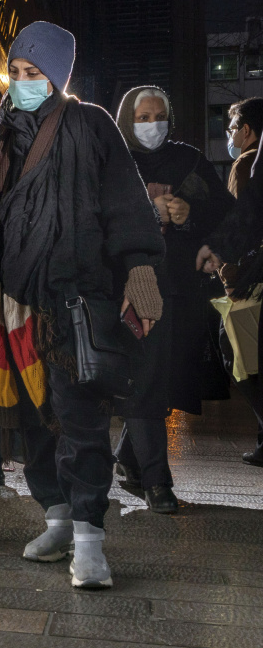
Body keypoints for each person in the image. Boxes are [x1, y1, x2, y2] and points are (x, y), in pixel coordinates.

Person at [0, 22, 165, 588]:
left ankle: (90, 540)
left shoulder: (90, 124)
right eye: (17, 71)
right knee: (32, 418)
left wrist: (140, 270)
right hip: (12, 302)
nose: (23, 82)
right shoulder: (0, 133)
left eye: (36, 74)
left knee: (81, 420)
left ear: (58, 76)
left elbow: (126, 202)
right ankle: (56, 516)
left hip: (75, 299)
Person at [112, 86, 235, 513]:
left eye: (158, 116)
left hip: (181, 288)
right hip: (133, 288)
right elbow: (100, 215)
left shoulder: (189, 161)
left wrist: (189, 216)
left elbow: (222, 210)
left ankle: (129, 459)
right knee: (145, 379)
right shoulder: (114, 159)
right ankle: (156, 481)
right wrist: (153, 211)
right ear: (128, 119)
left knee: (165, 379)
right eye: (142, 117)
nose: (151, 125)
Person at [218, 97, 263, 466]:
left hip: (252, 279)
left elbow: (238, 227)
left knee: (234, 350)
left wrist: (229, 276)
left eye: (232, 129)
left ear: (246, 131)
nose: (230, 137)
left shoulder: (246, 164)